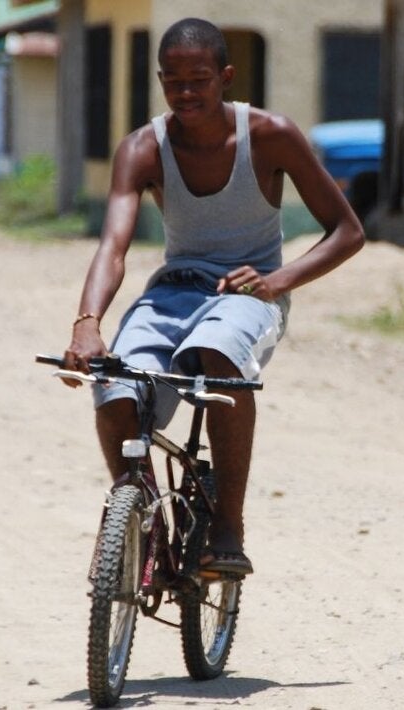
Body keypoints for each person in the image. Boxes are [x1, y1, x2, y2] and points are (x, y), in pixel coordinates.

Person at [62, 17, 364, 577]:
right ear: (159, 81)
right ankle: (142, 515)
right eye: (172, 81)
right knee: (115, 384)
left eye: (198, 78)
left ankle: (228, 523)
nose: (185, 92)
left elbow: (348, 231)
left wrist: (279, 280)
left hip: (249, 295)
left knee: (219, 355)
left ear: (225, 76)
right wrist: (87, 321)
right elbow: (114, 245)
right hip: (173, 292)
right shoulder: (142, 148)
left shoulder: (269, 135)